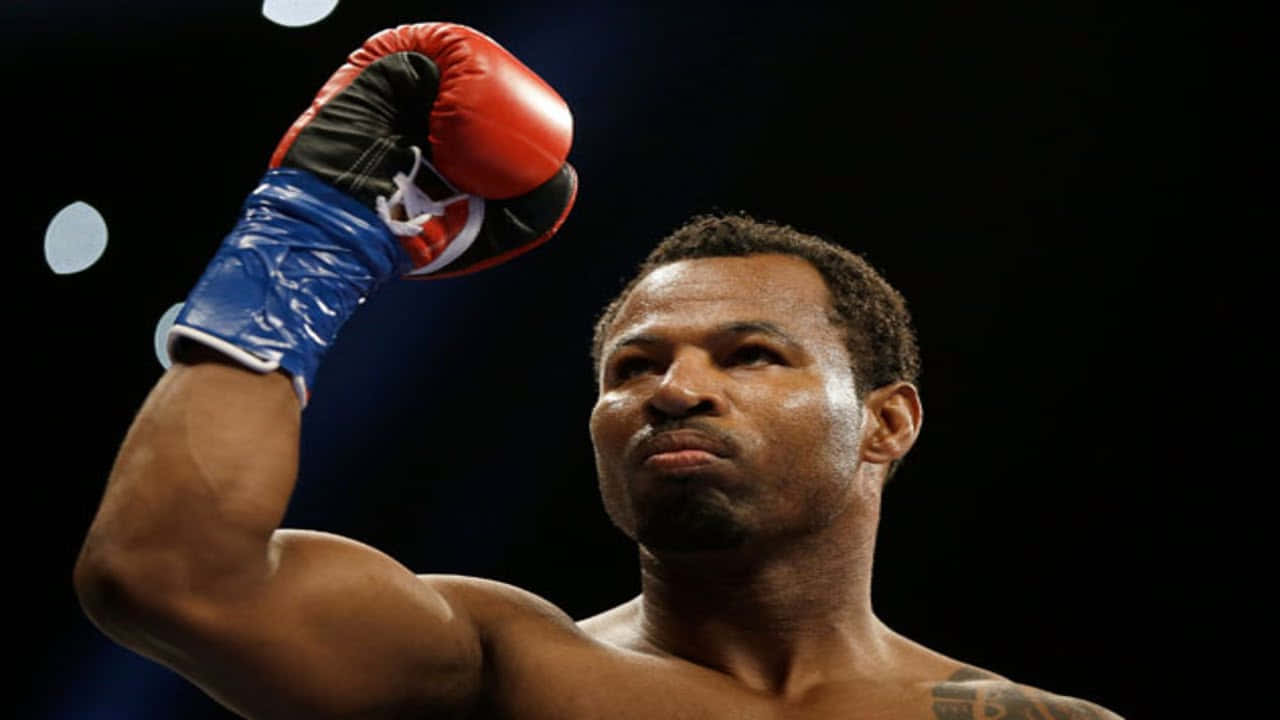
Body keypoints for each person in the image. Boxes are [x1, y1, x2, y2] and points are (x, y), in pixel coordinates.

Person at [73, 21, 1124, 720]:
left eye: (750, 353)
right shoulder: (501, 672)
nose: (670, 390)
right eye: (631, 368)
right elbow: (167, 574)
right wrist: (317, 235)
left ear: (887, 422)